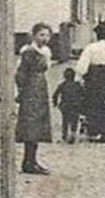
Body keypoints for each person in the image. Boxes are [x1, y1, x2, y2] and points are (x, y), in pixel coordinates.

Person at [15, 23, 55, 174]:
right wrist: (21, 91)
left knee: (38, 125)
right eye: (41, 35)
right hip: (31, 89)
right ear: (33, 35)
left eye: (47, 35)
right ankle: (28, 161)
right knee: (31, 125)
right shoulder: (29, 52)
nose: (45, 38)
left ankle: (32, 160)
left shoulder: (45, 51)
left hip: (40, 88)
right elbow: (21, 74)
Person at [53, 67, 85, 143]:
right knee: (74, 121)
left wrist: (55, 102)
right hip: (75, 106)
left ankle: (64, 135)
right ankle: (73, 135)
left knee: (65, 121)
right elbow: (83, 94)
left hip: (65, 106)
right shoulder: (78, 85)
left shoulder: (62, 85)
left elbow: (55, 95)